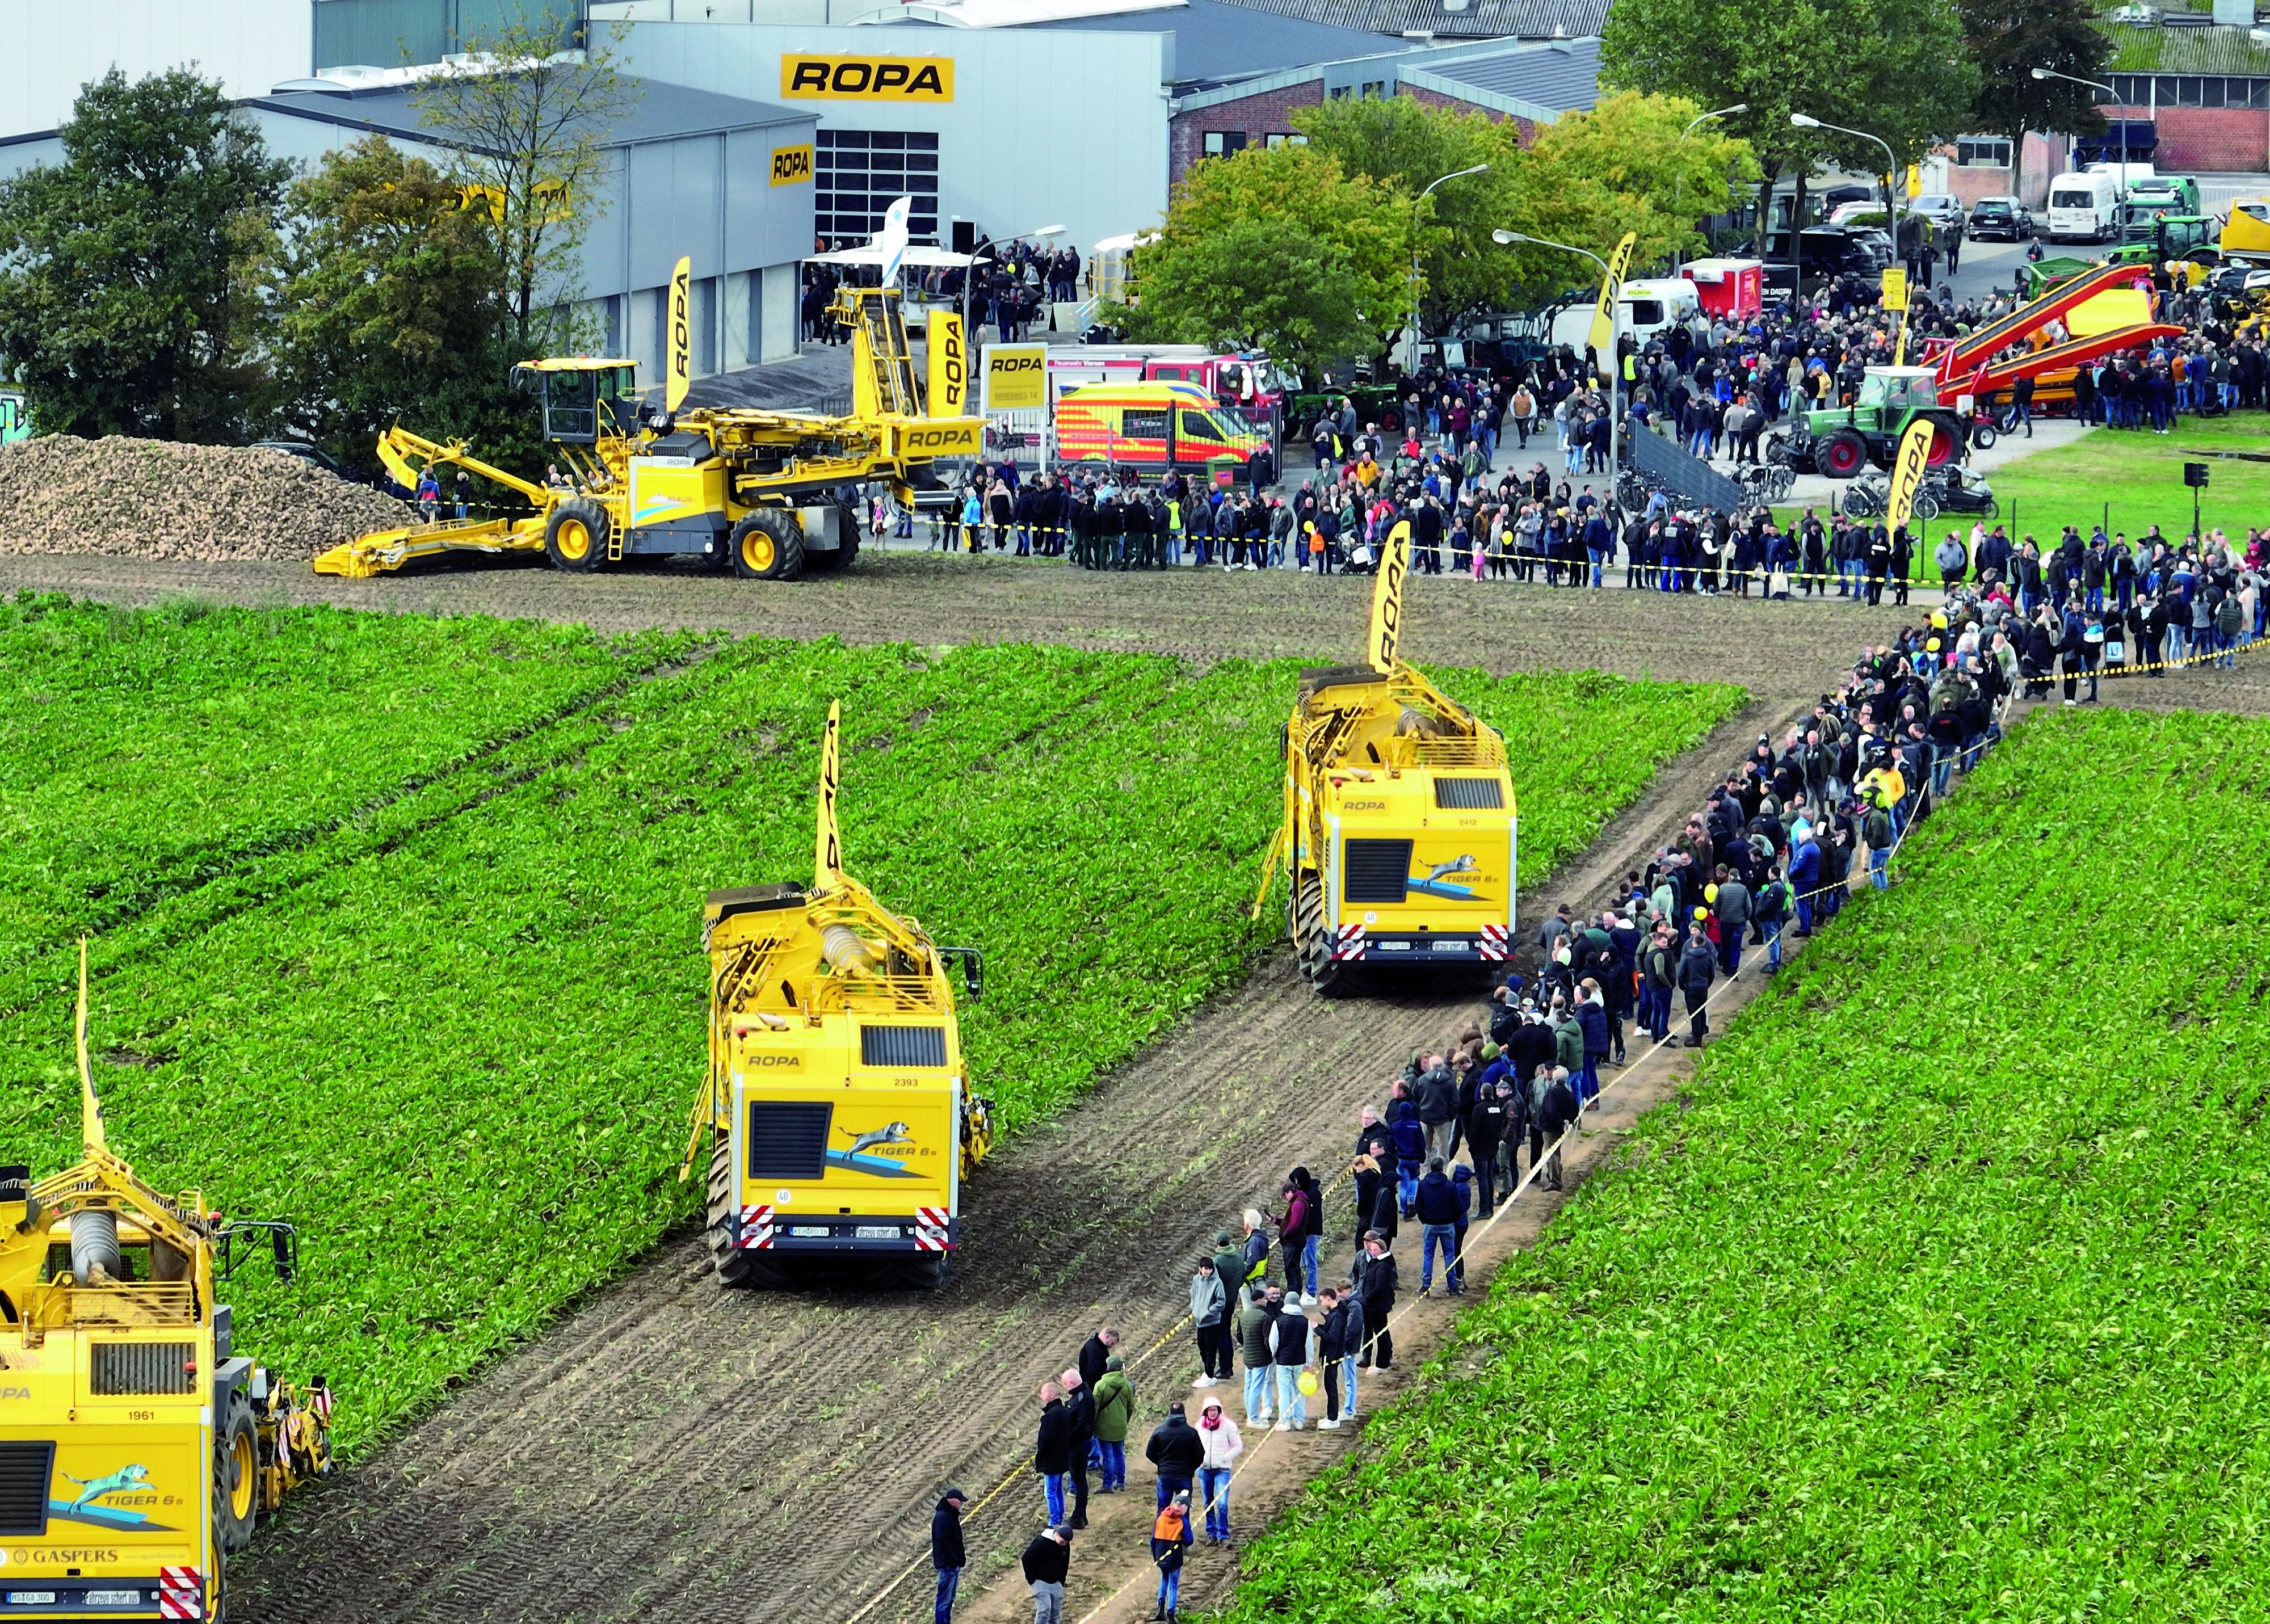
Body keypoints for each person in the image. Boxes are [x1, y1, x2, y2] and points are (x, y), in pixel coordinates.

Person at [1316, 1280, 1364, 1427]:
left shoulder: (1343, 1312)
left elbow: (1336, 1335)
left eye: (1322, 1299)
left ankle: (1340, 1415)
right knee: (1333, 1384)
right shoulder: (1337, 1313)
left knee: (1343, 1381)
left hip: (1342, 1351)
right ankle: (1336, 1415)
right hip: (1338, 1351)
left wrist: (1316, 1329)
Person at [1194, 1395, 1242, 1542]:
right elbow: (1195, 1446)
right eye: (1210, 1410)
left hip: (1222, 1470)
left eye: (1215, 1410)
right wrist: (1198, 1461)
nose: (1213, 1413)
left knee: (1222, 1503)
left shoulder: (1229, 1426)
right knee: (1208, 1502)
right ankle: (1211, 1533)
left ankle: (1223, 1533)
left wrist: (1225, 1458)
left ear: (1219, 1410)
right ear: (1205, 1412)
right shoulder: (1199, 1427)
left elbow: (1238, 1446)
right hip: (1204, 1470)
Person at [1144, 1399, 1204, 1510]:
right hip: (1184, 1475)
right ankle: (1183, 1528)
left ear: (1170, 1413)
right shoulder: (1191, 1433)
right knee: (1184, 1510)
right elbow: (1200, 1455)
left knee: (1163, 1508)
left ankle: (1161, 1528)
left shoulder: (1160, 1431)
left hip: (1165, 1475)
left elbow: (1150, 1453)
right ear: (1184, 1414)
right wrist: (1191, 1468)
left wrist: (1161, 1464)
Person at [1353, 1229, 1397, 1370]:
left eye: (1374, 1248)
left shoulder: (1383, 1265)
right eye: (1368, 1245)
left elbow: (1381, 1286)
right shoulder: (1363, 1257)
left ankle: (1384, 1359)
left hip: (1375, 1304)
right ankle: (1367, 1357)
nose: (1371, 1250)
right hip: (1367, 1302)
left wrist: (1368, 1297)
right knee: (1367, 1330)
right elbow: (1356, 1273)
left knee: (1381, 1332)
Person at [1415, 1156, 1459, 1295]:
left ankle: (1426, 1285)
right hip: (1447, 1224)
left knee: (1428, 1255)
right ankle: (1452, 1286)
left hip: (1430, 1224)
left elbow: (1418, 1206)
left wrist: (1425, 1220)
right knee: (1449, 1255)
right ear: (1442, 1169)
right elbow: (1459, 1207)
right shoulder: (1450, 1186)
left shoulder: (1423, 1185)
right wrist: (1452, 1219)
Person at [1237, 1283, 1279, 1427]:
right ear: (1260, 1300)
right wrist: (1272, 1353)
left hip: (1248, 1356)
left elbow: (1239, 1337)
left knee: (1249, 1386)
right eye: (1265, 1299)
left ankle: (1251, 1415)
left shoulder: (1244, 1316)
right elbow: (1268, 1341)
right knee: (1256, 1387)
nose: (1267, 1301)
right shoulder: (1264, 1317)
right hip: (1261, 1358)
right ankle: (1254, 1418)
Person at [1093, 1354, 1134, 1493]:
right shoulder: (1127, 1385)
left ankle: (1108, 1484)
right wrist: (1125, 1421)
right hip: (1120, 1426)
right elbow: (1131, 1407)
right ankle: (1121, 1482)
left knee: (1107, 1456)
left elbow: (1095, 1408)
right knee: (1119, 1454)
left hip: (1103, 1427)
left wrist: (1093, 1425)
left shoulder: (1101, 1385)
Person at [1151, 1490, 1194, 1621]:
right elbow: (1189, 1540)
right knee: (1173, 1585)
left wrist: (1156, 1557)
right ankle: (1170, 1614)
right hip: (1174, 1557)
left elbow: (1153, 1540)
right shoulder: (1182, 1522)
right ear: (1184, 1507)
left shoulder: (1161, 1518)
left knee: (1164, 1579)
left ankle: (1160, 1609)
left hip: (1161, 1555)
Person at [1060, 1367, 1094, 1528]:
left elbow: (1081, 1425)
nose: (1065, 1388)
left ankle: (1078, 1516)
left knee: (1079, 1480)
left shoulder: (1083, 1399)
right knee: (1079, 1479)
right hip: (1079, 1444)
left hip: (1079, 1445)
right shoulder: (1082, 1395)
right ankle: (1082, 1516)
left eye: (1065, 1385)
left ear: (1072, 1383)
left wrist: (1067, 1437)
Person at [1034, 1382, 1072, 1526]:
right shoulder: (1064, 1411)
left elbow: (1046, 1440)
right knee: (1058, 1489)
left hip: (1052, 1460)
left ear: (1051, 1394)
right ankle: (1060, 1515)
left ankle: (1055, 1521)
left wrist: (1041, 1458)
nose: (1041, 1396)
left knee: (1050, 1492)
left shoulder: (1051, 1416)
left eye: (1043, 1393)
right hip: (1063, 1458)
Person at [1020, 1524, 1072, 1624]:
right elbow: (1026, 1558)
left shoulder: (1065, 1545)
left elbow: (1065, 1563)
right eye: (1062, 1542)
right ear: (1057, 1534)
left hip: (1056, 1582)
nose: (1064, 1545)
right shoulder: (1041, 1542)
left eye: (1066, 1543)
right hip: (1040, 1582)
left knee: (1055, 1613)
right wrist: (1031, 1579)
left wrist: (1062, 1581)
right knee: (1044, 1611)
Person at [1189, 1257, 1229, 1385]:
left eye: (1210, 1269)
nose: (1208, 1272)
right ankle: (1207, 1371)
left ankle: (1209, 1375)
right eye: (1205, 1269)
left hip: (1212, 1322)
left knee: (1211, 1349)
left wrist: (1210, 1311)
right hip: (1199, 1321)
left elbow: (1221, 1301)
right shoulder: (1196, 1280)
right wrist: (1194, 1308)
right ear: (1200, 1269)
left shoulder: (1217, 1283)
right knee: (1202, 1347)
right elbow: (1193, 1295)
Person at [1678, 920, 1717, 1047]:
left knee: (1694, 1013)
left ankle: (1696, 1038)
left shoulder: (1689, 957)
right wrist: (1707, 984)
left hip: (1691, 987)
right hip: (1703, 987)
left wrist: (1682, 985)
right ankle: (1701, 1030)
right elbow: (1712, 973)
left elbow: (1681, 973)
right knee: (1701, 1009)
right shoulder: (1707, 957)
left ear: (1694, 944)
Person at [931, 1488, 966, 1624]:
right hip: (947, 1566)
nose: (961, 1504)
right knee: (944, 1601)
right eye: (960, 1501)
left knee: (949, 1599)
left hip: (951, 1565)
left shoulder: (948, 1516)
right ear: (952, 1500)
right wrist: (953, 1560)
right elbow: (944, 1542)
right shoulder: (943, 1518)